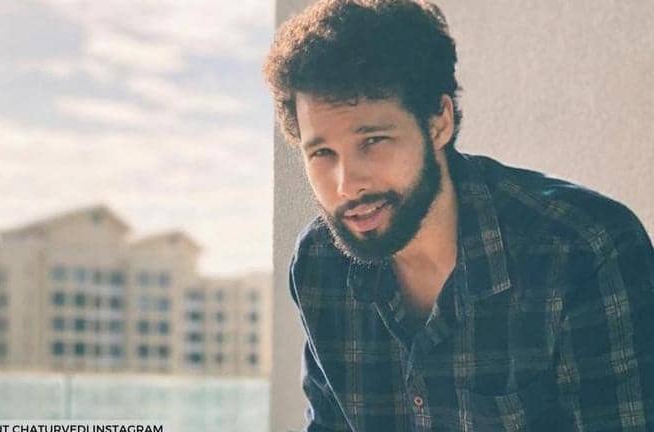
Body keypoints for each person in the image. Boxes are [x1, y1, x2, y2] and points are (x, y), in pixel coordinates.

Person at [263, 0, 654, 430]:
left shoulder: (582, 250)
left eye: (373, 141)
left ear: (439, 124)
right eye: (322, 153)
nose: (346, 184)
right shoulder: (320, 262)